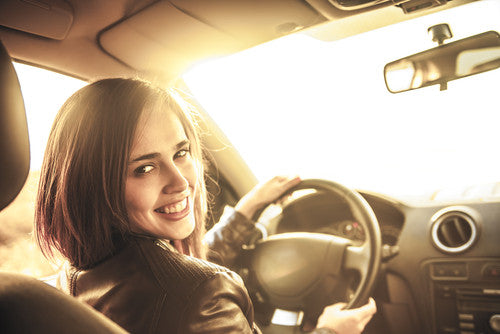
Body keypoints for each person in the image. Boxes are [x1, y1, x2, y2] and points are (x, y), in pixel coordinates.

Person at [35, 78, 376, 333]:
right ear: (92, 184)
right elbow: (186, 287)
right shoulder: (203, 296)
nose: (181, 182)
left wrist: (246, 210)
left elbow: (172, 276)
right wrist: (331, 330)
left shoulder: (77, 274)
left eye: (181, 153)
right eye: (144, 168)